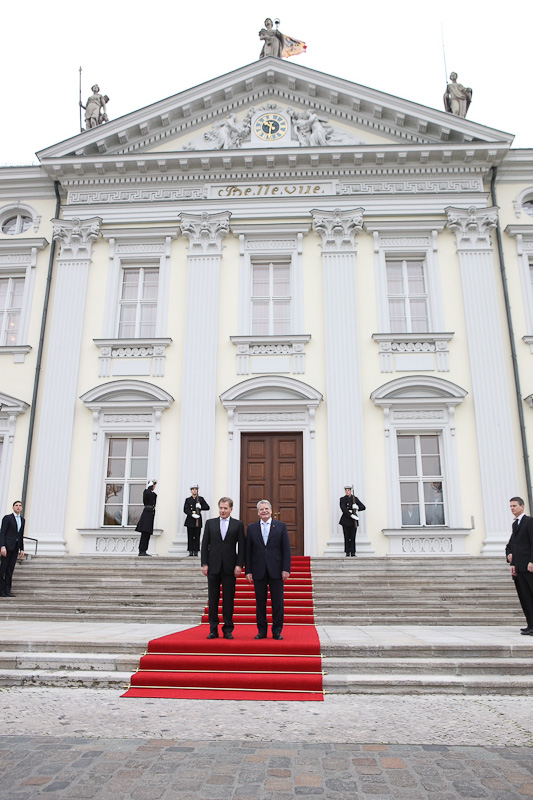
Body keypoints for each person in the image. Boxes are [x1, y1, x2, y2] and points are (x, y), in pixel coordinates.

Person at [246, 500, 291, 640]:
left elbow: (286, 550)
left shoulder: (281, 526)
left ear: (271, 511)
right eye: (261, 509)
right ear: (258, 512)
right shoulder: (251, 528)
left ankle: (277, 630)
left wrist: (286, 569)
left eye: (266, 509)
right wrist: (248, 570)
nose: (264, 511)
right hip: (258, 570)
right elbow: (248, 551)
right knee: (260, 602)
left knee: (278, 602)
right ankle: (262, 630)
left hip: (276, 570)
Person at [201, 497, 245, 639]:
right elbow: (204, 545)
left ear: (231, 509)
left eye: (225, 508)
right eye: (221, 508)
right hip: (213, 567)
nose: (222, 510)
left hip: (230, 568)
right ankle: (213, 629)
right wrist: (204, 564)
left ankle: (228, 629)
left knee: (228, 599)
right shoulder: (210, 524)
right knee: (213, 599)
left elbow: (242, 547)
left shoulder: (238, 525)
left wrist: (239, 565)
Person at [506, 496, 533, 635]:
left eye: (514, 506)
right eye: (511, 506)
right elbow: (511, 545)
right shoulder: (515, 524)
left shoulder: (529, 522)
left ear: (522, 507)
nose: (512, 508)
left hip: (528, 566)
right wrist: (511, 559)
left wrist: (532, 561)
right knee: (525, 596)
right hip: (519, 567)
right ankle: (530, 625)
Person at [0, 500, 25, 598]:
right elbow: (3, 533)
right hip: (7, 547)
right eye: (16, 505)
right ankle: (1, 590)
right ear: (13, 507)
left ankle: (7, 590)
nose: (18, 507)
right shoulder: (7, 518)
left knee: (10, 569)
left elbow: (21, 535)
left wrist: (22, 548)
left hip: (15, 547)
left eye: (20, 506)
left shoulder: (22, 520)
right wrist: (2, 546)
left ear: (22, 508)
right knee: (3, 569)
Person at [339, 486, 366, 557]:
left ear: (351, 491)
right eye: (346, 490)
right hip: (346, 519)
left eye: (348, 490)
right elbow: (343, 509)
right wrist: (351, 515)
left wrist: (357, 507)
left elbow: (363, 507)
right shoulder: (342, 499)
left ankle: (353, 552)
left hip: (353, 520)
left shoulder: (355, 499)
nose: (347, 492)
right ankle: (347, 552)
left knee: (353, 536)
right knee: (347, 536)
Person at [183, 484, 210, 556]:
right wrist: (191, 514)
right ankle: (190, 551)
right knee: (190, 536)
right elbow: (185, 509)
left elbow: (207, 507)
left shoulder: (200, 499)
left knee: (197, 536)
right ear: (191, 491)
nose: (194, 490)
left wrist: (201, 507)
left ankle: (196, 551)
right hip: (190, 519)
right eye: (193, 489)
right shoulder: (188, 499)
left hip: (197, 519)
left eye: (196, 489)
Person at [136, 480, 157, 556]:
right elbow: (147, 494)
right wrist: (149, 486)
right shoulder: (146, 492)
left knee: (147, 532)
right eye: (154, 485)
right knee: (145, 532)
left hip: (151, 513)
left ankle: (144, 549)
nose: (154, 487)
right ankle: (141, 550)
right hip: (147, 513)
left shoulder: (153, 494)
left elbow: (154, 497)